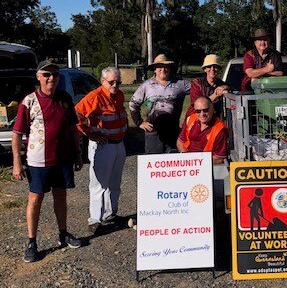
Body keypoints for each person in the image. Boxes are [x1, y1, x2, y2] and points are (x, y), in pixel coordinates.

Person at [11, 60, 84, 263]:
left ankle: (63, 234)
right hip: (37, 161)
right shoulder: (29, 102)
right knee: (35, 200)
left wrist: (78, 153)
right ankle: (32, 242)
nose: (51, 78)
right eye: (46, 75)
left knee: (60, 196)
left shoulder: (65, 98)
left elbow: (72, 128)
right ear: (38, 77)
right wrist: (17, 162)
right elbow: (16, 134)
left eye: (55, 75)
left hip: (62, 160)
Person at [75, 66, 128, 235]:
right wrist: (90, 134)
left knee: (114, 182)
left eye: (118, 82)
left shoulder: (119, 95)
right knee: (99, 184)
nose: (115, 85)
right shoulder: (95, 97)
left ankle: (110, 214)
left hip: (119, 144)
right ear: (103, 81)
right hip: (103, 145)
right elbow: (76, 116)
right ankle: (95, 219)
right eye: (111, 82)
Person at [129, 54, 190, 154]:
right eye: (159, 67)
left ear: (170, 68)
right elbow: (133, 104)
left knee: (172, 164)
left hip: (173, 132)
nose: (163, 69)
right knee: (153, 165)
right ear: (154, 69)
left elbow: (198, 91)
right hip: (153, 133)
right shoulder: (147, 85)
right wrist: (139, 122)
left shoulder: (180, 84)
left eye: (166, 66)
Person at [177, 96, 229, 164]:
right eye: (198, 111)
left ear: (212, 109)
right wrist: (185, 156)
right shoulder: (190, 119)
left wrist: (197, 162)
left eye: (205, 110)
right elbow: (180, 142)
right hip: (187, 161)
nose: (202, 114)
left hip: (207, 165)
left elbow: (219, 158)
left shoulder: (220, 129)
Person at [185, 54, 229, 119]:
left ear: (219, 69)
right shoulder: (197, 83)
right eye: (209, 66)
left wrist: (226, 87)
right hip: (196, 119)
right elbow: (199, 104)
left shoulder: (222, 84)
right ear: (204, 69)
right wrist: (215, 94)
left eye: (215, 66)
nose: (212, 69)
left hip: (215, 120)